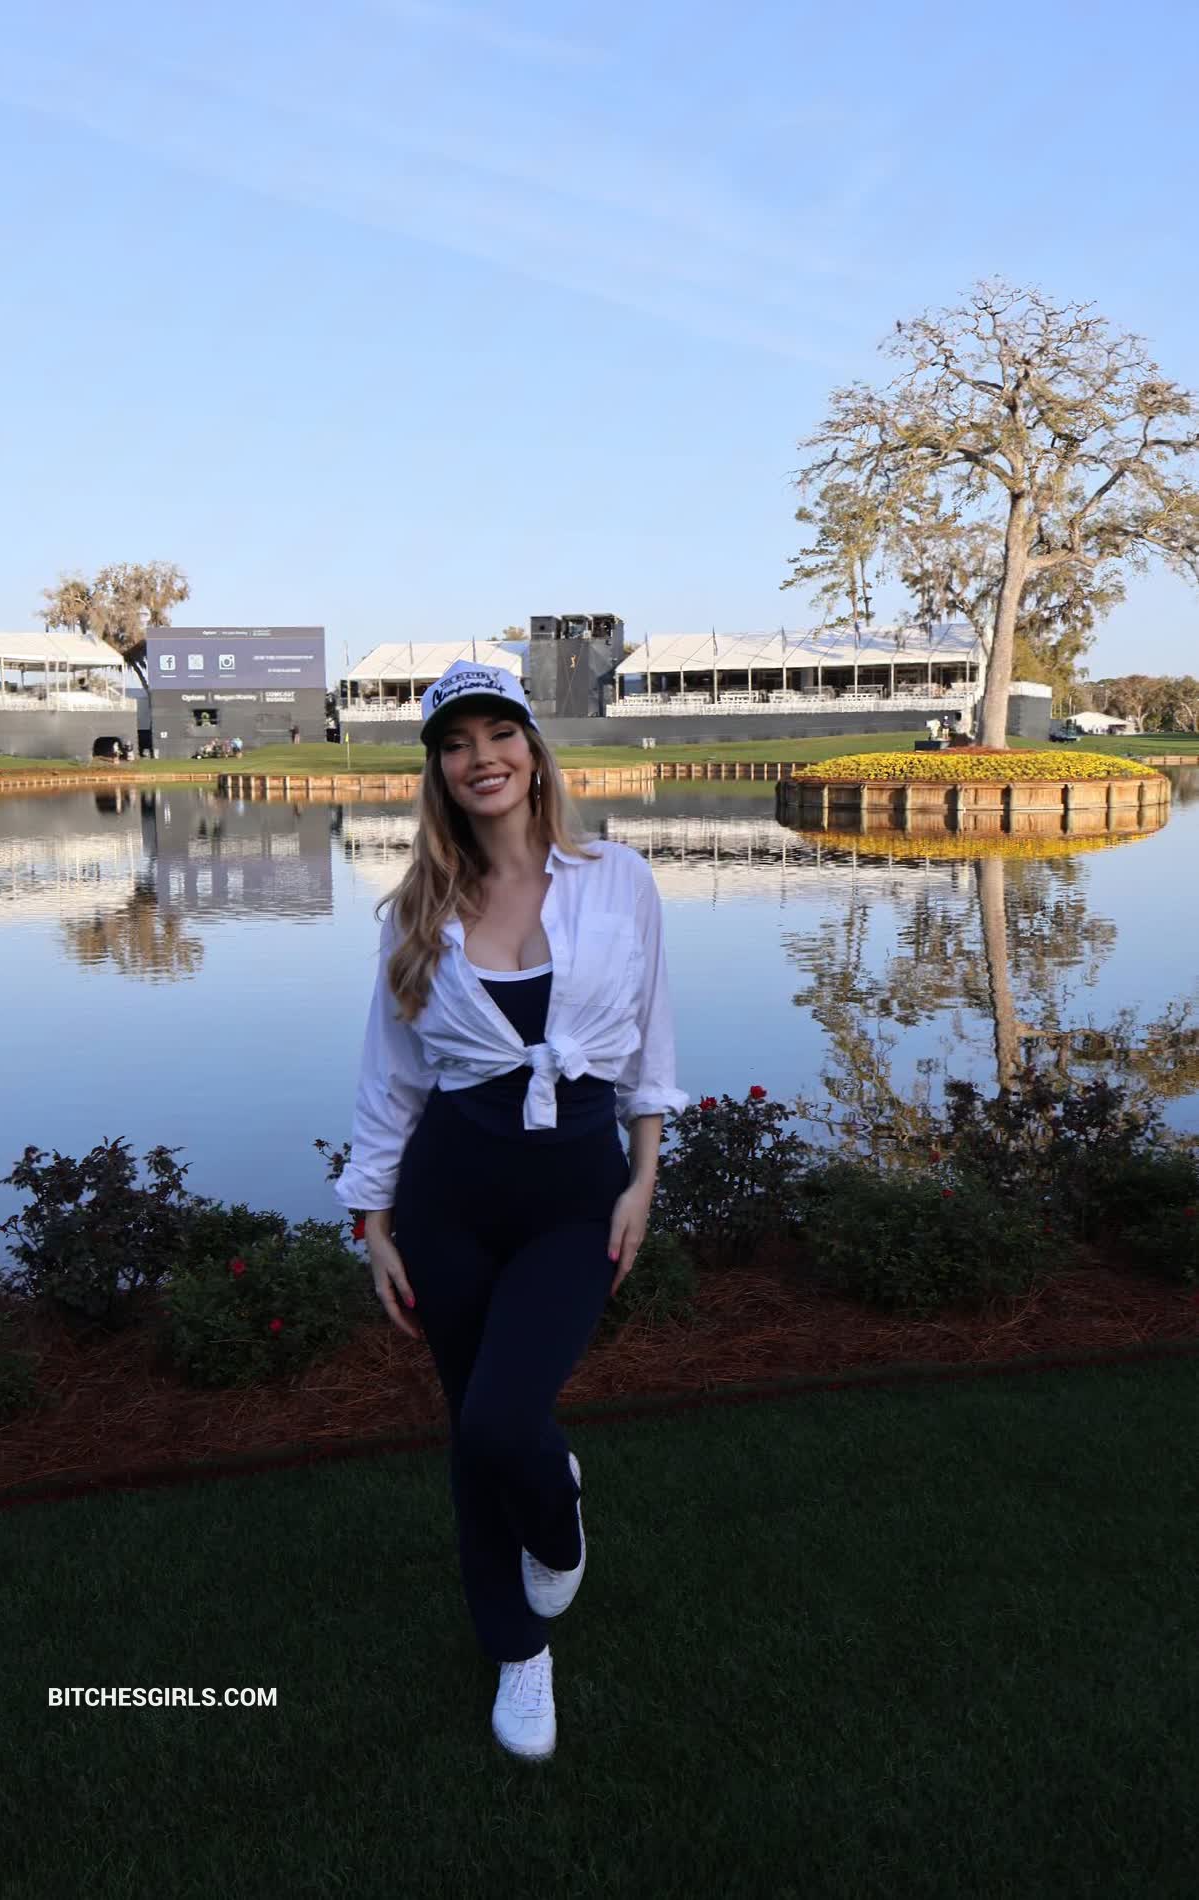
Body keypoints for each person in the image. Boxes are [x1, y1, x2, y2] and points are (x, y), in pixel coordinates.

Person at [334, 658, 687, 1764]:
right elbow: (391, 1079)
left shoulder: (618, 880)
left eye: (498, 734)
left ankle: (556, 1513)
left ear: (534, 752)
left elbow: (651, 1044)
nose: (479, 757)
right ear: (436, 770)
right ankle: (517, 1650)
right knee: (469, 1428)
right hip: (450, 1195)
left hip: (576, 1195)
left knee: (502, 1423)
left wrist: (643, 1181)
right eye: (455, 742)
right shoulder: (414, 909)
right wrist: (374, 1222)